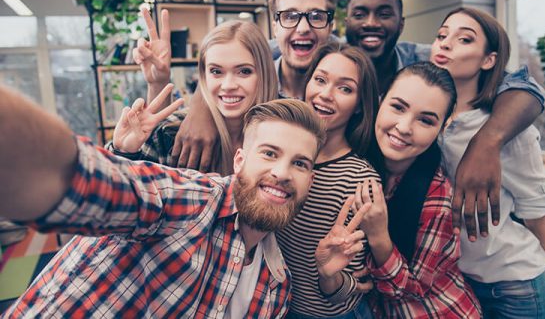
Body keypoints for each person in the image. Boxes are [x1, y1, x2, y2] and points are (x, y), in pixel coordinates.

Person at [0, 91, 354, 317]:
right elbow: (85, 181)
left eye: (300, 163)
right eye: (269, 154)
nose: (282, 172)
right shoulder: (191, 199)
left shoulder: (276, 287)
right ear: (239, 160)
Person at [344, 0, 545, 241]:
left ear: (401, 23)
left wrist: (486, 141)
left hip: (422, 213)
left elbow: (523, 86)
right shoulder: (332, 58)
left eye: (384, 14)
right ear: (346, 21)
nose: (371, 23)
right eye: (360, 14)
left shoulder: (422, 59)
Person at [434, 7, 545, 319]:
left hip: (518, 285)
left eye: (464, 39)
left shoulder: (508, 130)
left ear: (488, 60)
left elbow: (538, 215)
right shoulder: (430, 121)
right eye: (441, 35)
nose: (445, 43)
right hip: (460, 281)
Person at [317, 62, 481, 318]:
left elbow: (411, 290)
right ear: (380, 101)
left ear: (442, 127)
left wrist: (379, 235)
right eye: (398, 107)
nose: (404, 127)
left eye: (425, 120)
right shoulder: (359, 161)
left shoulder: (438, 197)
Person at [143, 0, 337, 172]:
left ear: (331, 26)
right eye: (290, 16)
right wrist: (201, 103)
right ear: (275, 26)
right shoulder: (259, 54)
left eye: (317, 16)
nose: (303, 27)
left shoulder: (348, 74)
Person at [276, 41, 380, 318]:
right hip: (275, 308)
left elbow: (354, 287)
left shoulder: (360, 179)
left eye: (345, 88)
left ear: (359, 105)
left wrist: (328, 275)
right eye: (320, 80)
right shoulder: (280, 154)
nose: (325, 94)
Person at [111, 18, 278, 175]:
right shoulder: (171, 133)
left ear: (264, 73)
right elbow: (125, 195)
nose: (228, 85)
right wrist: (123, 152)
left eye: (244, 71)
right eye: (216, 71)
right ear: (203, 76)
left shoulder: (287, 135)